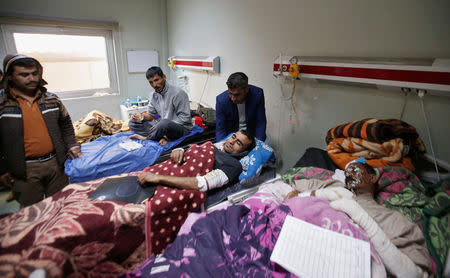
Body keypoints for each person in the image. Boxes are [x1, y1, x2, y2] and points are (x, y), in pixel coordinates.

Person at [285, 162, 432, 278]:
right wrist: (303, 195)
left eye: (355, 169)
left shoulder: (391, 219)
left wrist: (364, 220)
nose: (349, 173)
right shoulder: (334, 186)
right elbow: (292, 187)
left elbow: (415, 274)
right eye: (347, 172)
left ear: (372, 178)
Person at [0, 54, 82, 207]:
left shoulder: (51, 99)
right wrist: (2, 169)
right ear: (10, 77)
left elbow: (65, 124)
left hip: (55, 164)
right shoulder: (2, 104)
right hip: (24, 169)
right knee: (31, 213)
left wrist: (72, 144)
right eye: (24, 74)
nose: (31, 78)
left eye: (34, 73)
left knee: (61, 205)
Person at [137, 129, 255, 192]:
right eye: (233, 137)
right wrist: (179, 150)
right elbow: (191, 150)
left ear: (244, 152)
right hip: (163, 169)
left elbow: (201, 184)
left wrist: (158, 178)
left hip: (168, 182)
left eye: (239, 143)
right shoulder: (213, 146)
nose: (231, 142)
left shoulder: (233, 165)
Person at [129, 66, 192, 145]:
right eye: (151, 82)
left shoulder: (178, 93)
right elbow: (151, 115)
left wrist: (161, 124)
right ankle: (161, 135)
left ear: (164, 77)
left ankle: (147, 138)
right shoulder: (153, 95)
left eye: (156, 80)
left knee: (163, 123)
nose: (154, 85)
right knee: (132, 123)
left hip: (181, 128)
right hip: (163, 126)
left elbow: (184, 119)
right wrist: (139, 117)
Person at [215, 72, 267, 142]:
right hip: (231, 139)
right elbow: (220, 129)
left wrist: (258, 145)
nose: (233, 98)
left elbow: (260, 123)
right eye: (230, 93)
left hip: (251, 138)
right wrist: (222, 147)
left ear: (246, 90)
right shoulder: (221, 100)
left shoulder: (257, 94)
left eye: (237, 95)